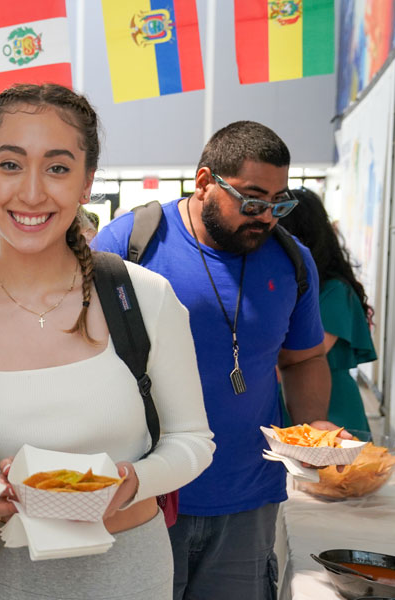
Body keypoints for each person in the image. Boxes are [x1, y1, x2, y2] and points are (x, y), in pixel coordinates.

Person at [0, 83, 214, 599]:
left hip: (130, 575)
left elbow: (193, 440)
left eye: (57, 167)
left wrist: (132, 481)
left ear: (86, 184)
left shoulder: (141, 299)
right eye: (10, 165)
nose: (31, 192)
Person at [96, 121, 345, 600]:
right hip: (144, 493)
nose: (266, 217)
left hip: (246, 502)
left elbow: (304, 358)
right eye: (252, 201)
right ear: (205, 181)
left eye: (279, 203)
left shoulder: (292, 260)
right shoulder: (133, 244)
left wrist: (314, 425)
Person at [279, 187, 377, 438]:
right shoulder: (288, 284)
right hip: (290, 401)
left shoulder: (335, 291)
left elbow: (309, 352)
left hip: (331, 409)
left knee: (335, 474)